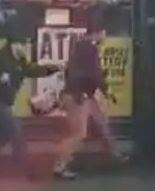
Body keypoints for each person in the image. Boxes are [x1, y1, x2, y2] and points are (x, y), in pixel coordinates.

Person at [53, 14, 124, 181]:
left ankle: (115, 155)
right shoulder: (89, 47)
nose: (106, 37)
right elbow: (94, 73)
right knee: (78, 133)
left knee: (101, 121)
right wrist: (107, 90)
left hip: (82, 94)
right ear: (99, 32)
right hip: (79, 96)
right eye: (105, 33)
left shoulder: (82, 46)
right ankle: (59, 165)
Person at [0, 36, 59, 176]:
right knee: (16, 129)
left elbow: (32, 70)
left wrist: (52, 69)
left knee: (1, 136)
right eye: (24, 44)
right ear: (14, 45)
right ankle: (26, 169)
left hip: (4, 102)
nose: (26, 48)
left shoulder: (20, 62)